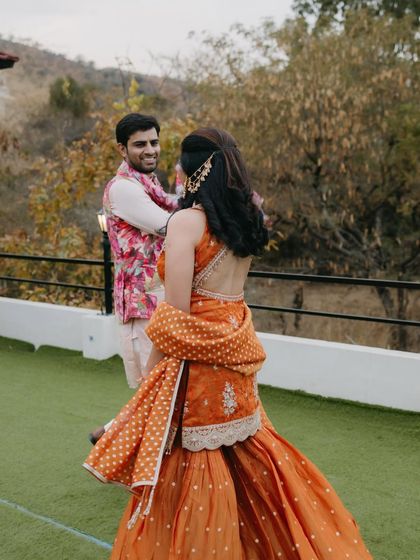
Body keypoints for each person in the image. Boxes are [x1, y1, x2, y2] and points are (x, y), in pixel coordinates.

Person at [84, 128, 373, 559]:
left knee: (193, 463)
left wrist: (152, 373)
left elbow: (176, 314)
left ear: (193, 171)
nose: (175, 172)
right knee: (244, 450)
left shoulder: (187, 223)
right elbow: (228, 296)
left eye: (180, 165)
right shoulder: (245, 221)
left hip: (196, 360)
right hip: (235, 349)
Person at [89, 113, 177, 444]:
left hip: (161, 299)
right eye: (140, 144)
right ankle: (113, 444)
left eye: (154, 142)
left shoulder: (149, 184)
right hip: (141, 304)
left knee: (160, 389)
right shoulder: (124, 189)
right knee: (156, 389)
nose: (150, 150)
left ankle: (108, 436)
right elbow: (170, 225)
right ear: (122, 150)